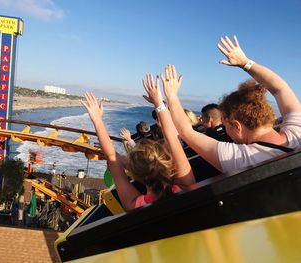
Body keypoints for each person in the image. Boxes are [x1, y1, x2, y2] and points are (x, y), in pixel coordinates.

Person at [161, 35, 301, 174]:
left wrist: (171, 96)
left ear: (237, 126)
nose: (226, 130)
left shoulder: (243, 159)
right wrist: (245, 62)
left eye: (226, 125)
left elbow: (187, 132)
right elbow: (280, 88)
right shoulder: (297, 132)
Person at [81, 78, 195, 211]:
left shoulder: (134, 205)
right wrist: (159, 101)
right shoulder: (186, 185)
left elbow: (112, 157)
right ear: (169, 164)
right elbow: (172, 139)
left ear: (136, 175)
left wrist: (97, 119)